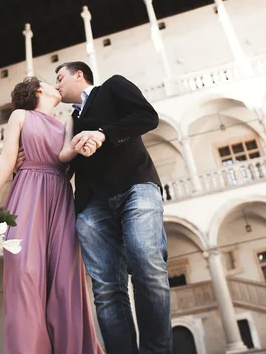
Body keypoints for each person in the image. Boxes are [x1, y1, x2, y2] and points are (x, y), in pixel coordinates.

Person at [55, 61, 172, 353]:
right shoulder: (69, 121)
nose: (57, 85)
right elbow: (64, 165)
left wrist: (103, 134)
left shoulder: (113, 86)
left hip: (135, 185)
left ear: (78, 74)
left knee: (148, 265)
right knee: (107, 291)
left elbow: (147, 116)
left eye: (59, 78)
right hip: (91, 203)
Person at [0, 76, 103, 354]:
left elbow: (65, 159)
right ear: (38, 90)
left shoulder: (66, 124)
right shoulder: (20, 116)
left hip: (60, 197)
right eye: (51, 82)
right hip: (27, 192)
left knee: (65, 279)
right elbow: (6, 158)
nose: (56, 86)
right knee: (24, 271)